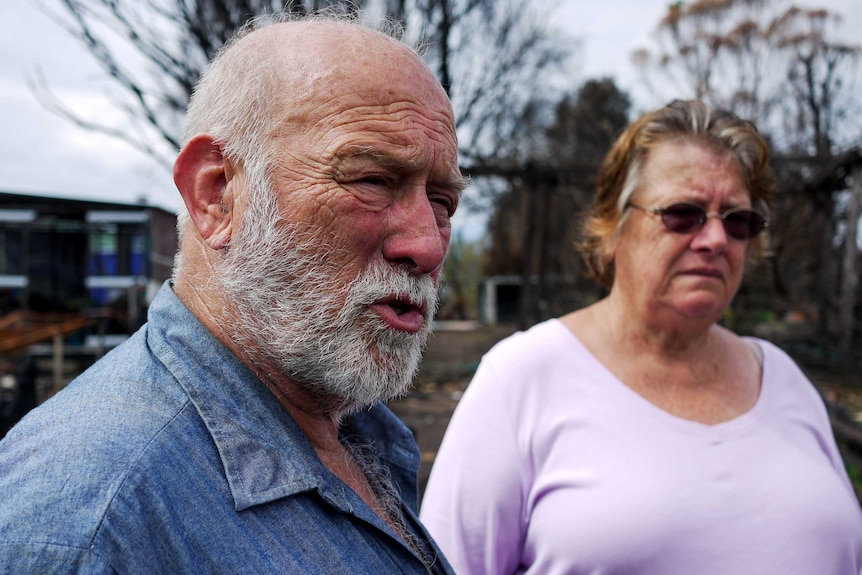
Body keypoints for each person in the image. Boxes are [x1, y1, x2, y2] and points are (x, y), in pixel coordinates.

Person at [0, 12, 465, 574]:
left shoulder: (356, 435)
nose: (428, 245)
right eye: (371, 180)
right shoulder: (91, 524)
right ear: (216, 196)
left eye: (442, 202)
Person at [420, 100, 862, 574]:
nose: (716, 239)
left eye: (738, 220)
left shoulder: (783, 380)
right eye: (683, 213)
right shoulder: (520, 381)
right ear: (612, 228)